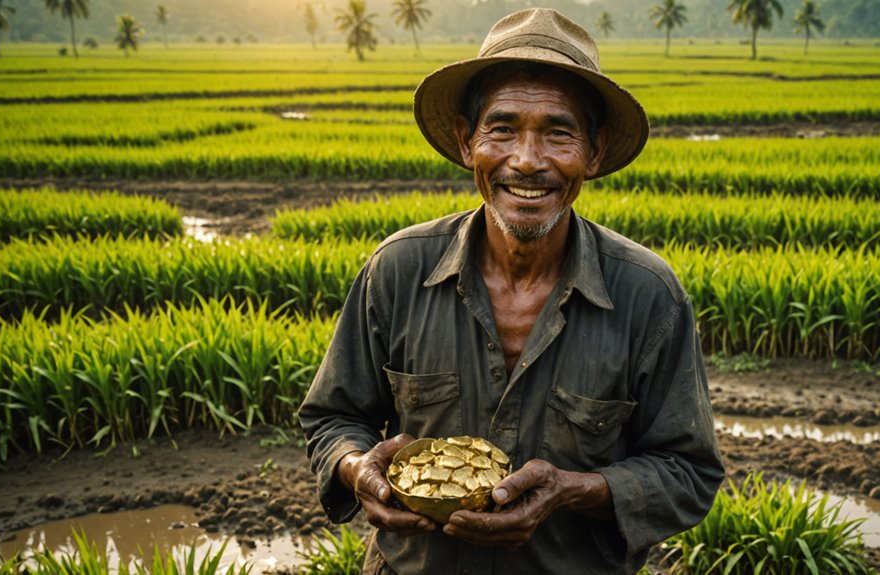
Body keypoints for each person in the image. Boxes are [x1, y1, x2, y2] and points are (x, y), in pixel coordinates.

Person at [299, 8, 724, 574]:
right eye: (502, 128)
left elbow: (689, 472)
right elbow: (332, 417)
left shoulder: (648, 295)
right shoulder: (397, 270)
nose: (527, 161)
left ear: (593, 152)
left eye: (558, 132)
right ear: (466, 141)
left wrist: (571, 488)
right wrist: (357, 468)